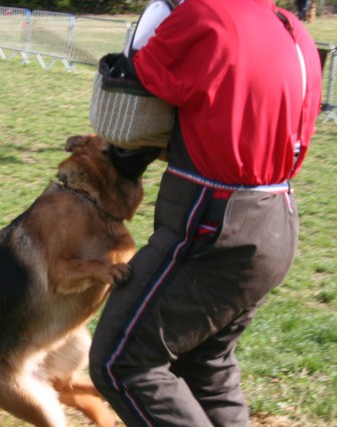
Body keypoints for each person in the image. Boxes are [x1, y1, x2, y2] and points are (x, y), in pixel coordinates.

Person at [89, 0, 323, 426]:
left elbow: (134, 84)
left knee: (122, 362)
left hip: (214, 219)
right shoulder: (292, 26)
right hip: (277, 219)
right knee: (205, 367)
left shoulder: (200, 16)